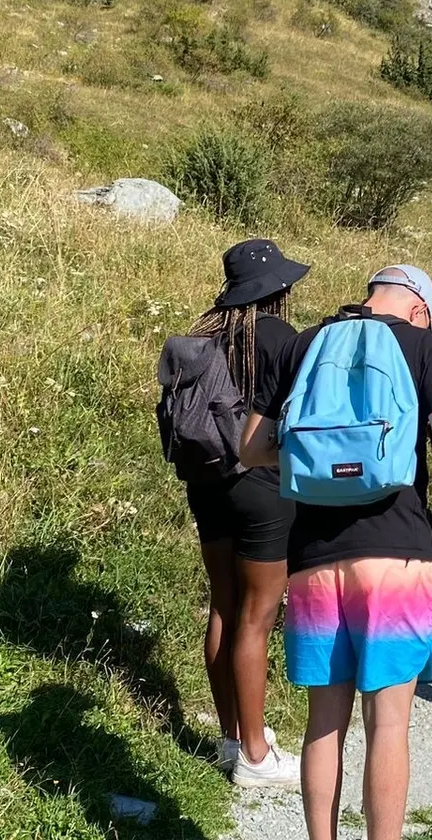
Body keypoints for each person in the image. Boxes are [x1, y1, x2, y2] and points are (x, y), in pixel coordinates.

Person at [239, 265, 432, 840]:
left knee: (325, 721)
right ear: (420, 307)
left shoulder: (305, 344)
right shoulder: (422, 344)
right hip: (395, 556)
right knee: (388, 725)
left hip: (314, 558)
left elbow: (251, 448)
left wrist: (320, 465)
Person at [174, 239, 305, 787]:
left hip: (206, 483)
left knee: (224, 607)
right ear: (277, 289)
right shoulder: (280, 338)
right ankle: (256, 755)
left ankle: (233, 739)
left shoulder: (203, 336)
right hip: (262, 486)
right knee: (257, 617)